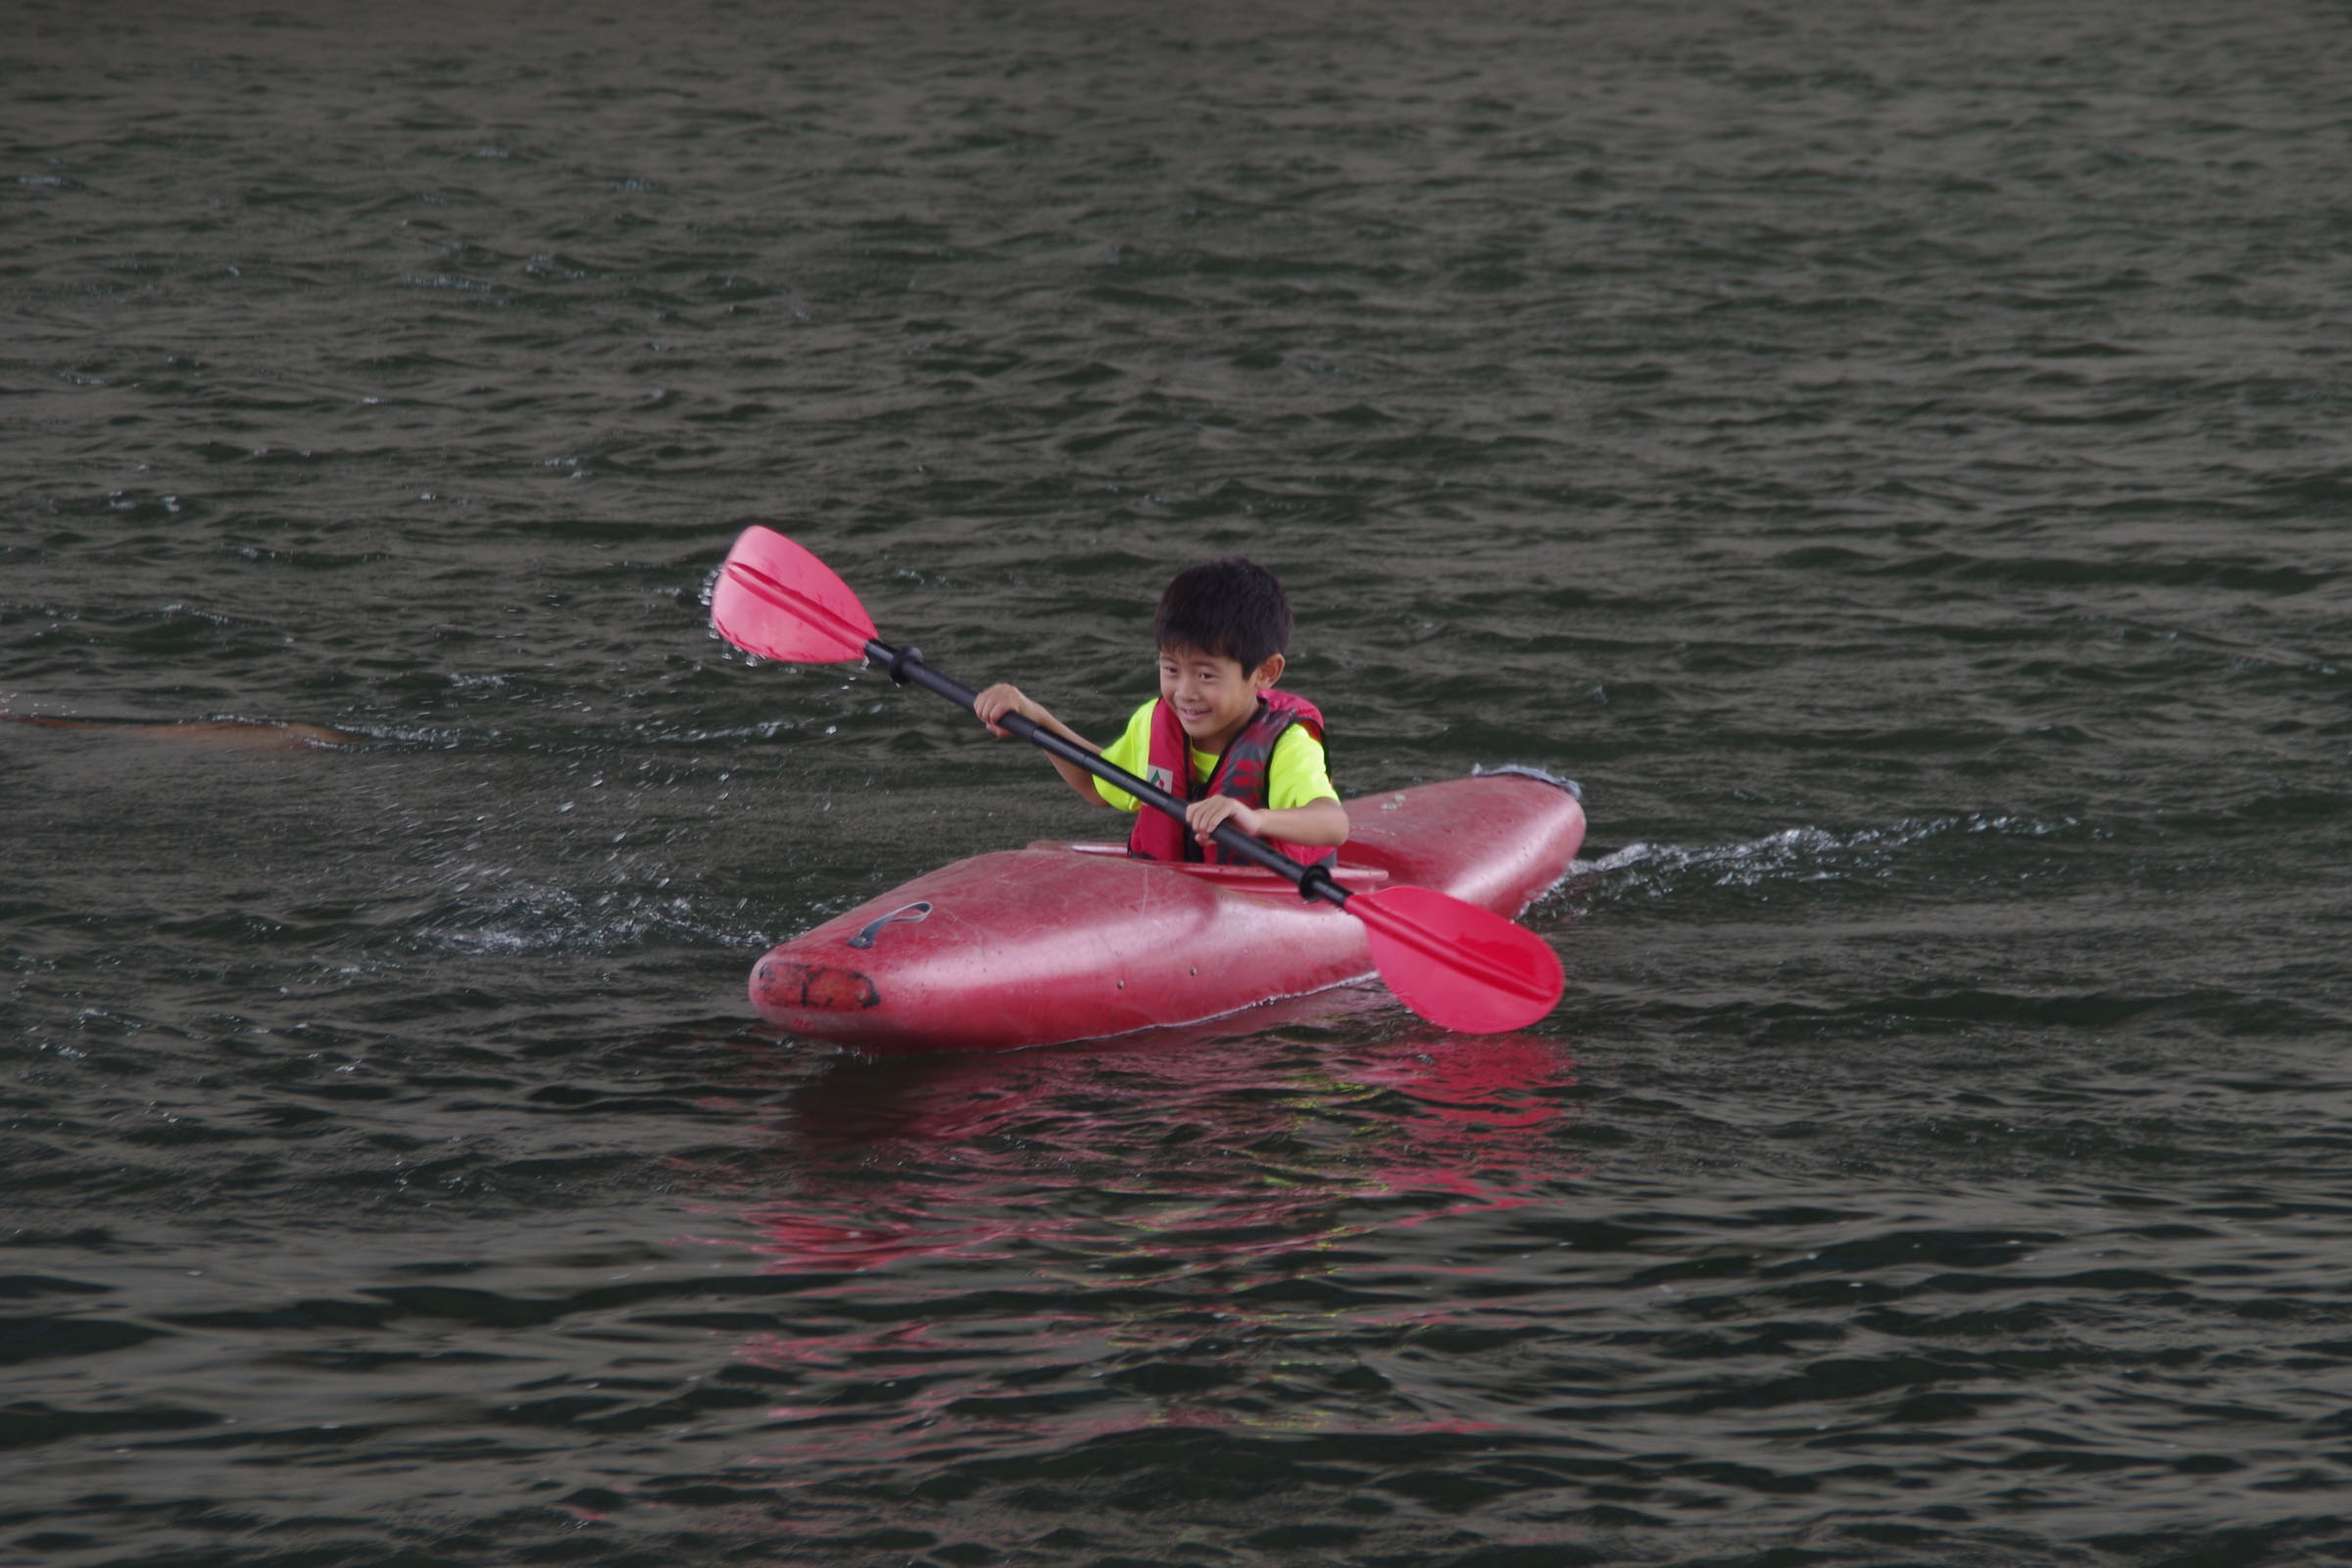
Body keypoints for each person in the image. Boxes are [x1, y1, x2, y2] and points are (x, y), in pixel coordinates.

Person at [972, 558, 1348, 864]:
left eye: (1205, 674)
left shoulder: (1287, 743)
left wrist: (1255, 818)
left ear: (1265, 672)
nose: (1184, 692)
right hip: (1174, 903)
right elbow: (1096, 785)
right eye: (1171, 669)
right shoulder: (1154, 722)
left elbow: (1333, 824)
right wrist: (1033, 717)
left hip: (1264, 904)